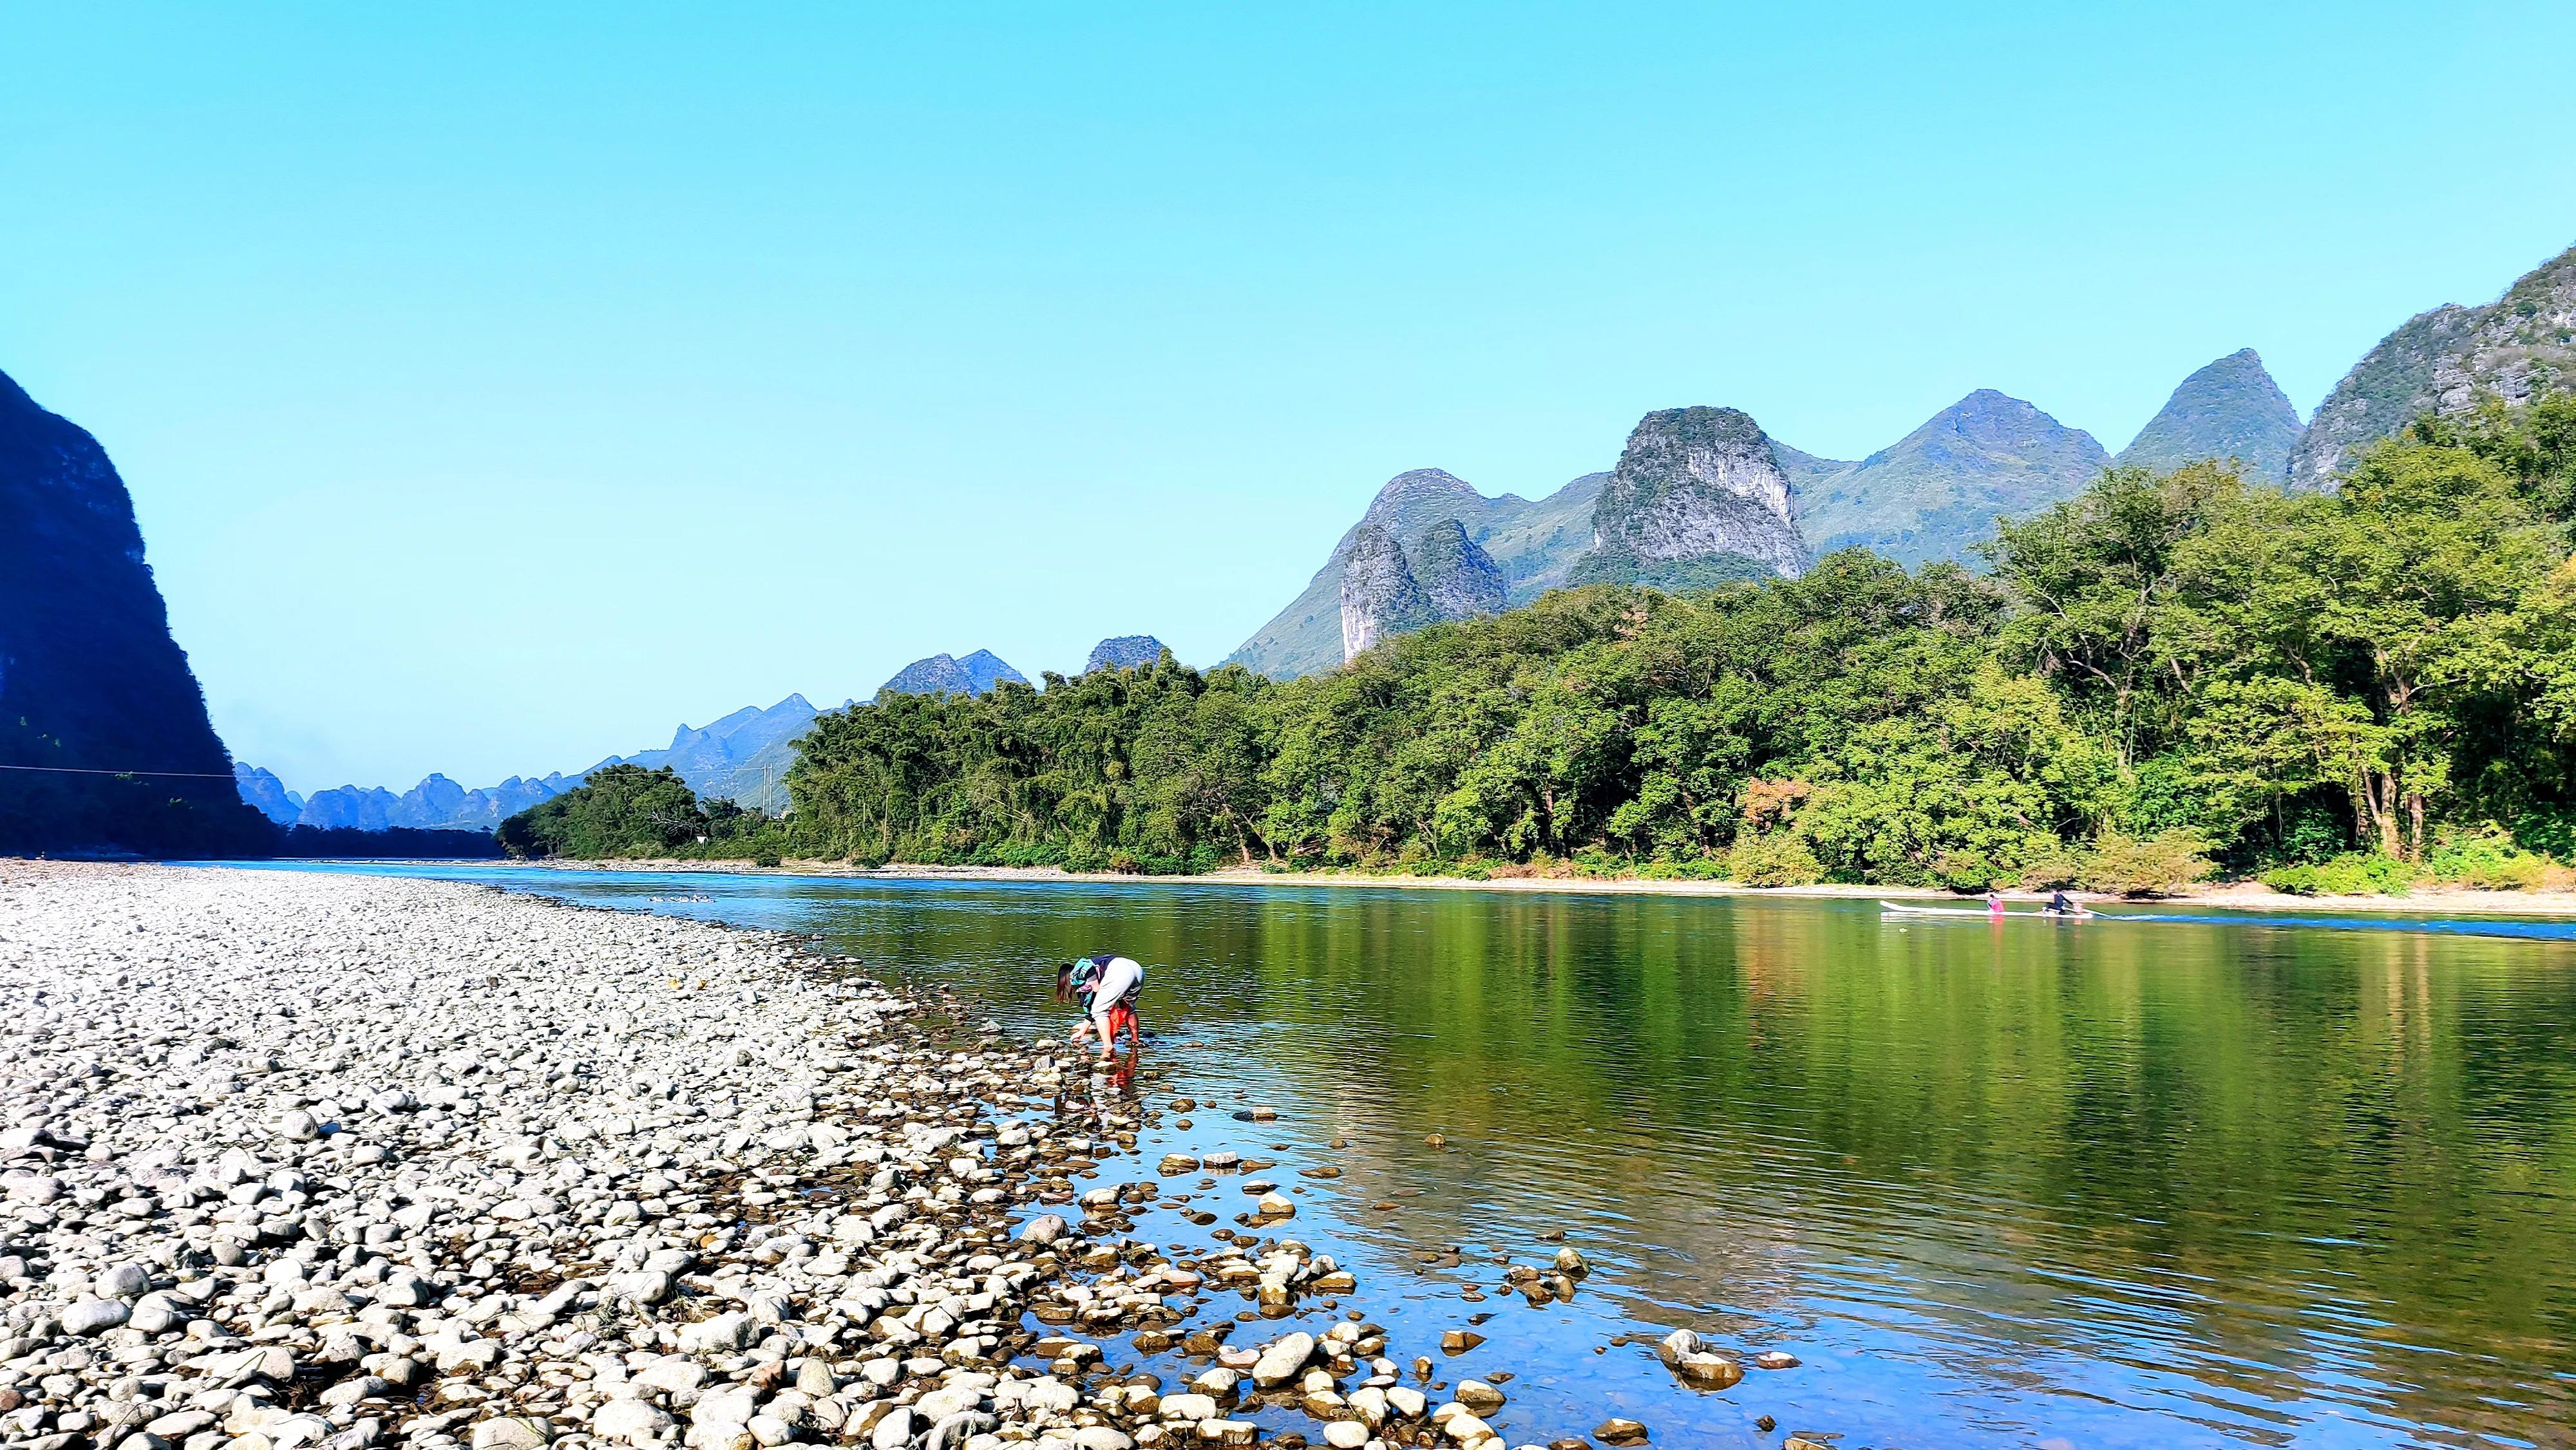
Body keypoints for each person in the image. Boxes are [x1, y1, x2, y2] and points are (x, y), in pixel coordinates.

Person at [1057, 952, 1144, 1061]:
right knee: (1126, 1005)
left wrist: (1095, 987)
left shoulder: (1075, 974)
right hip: (1137, 969)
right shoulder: (1087, 983)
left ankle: (1108, 1047)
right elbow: (1091, 1010)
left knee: (1100, 1011)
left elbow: (1088, 968)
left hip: (1120, 970)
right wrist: (1082, 1031)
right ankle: (1135, 1040)